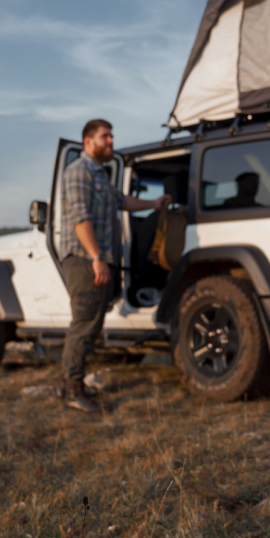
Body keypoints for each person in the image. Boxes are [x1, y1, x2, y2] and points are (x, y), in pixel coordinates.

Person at [58, 119, 170, 411]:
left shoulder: (100, 175)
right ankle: (71, 391)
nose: (111, 141)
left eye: (111, 136)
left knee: (91, 326)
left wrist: (154, 204)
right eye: (105, 137)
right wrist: (96, 257)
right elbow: (81, 220)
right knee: (83, 326)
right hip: (84, 261)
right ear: (87, 142)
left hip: (96, 260)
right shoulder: (79, 172)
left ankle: (73, 386)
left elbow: (123, 201)